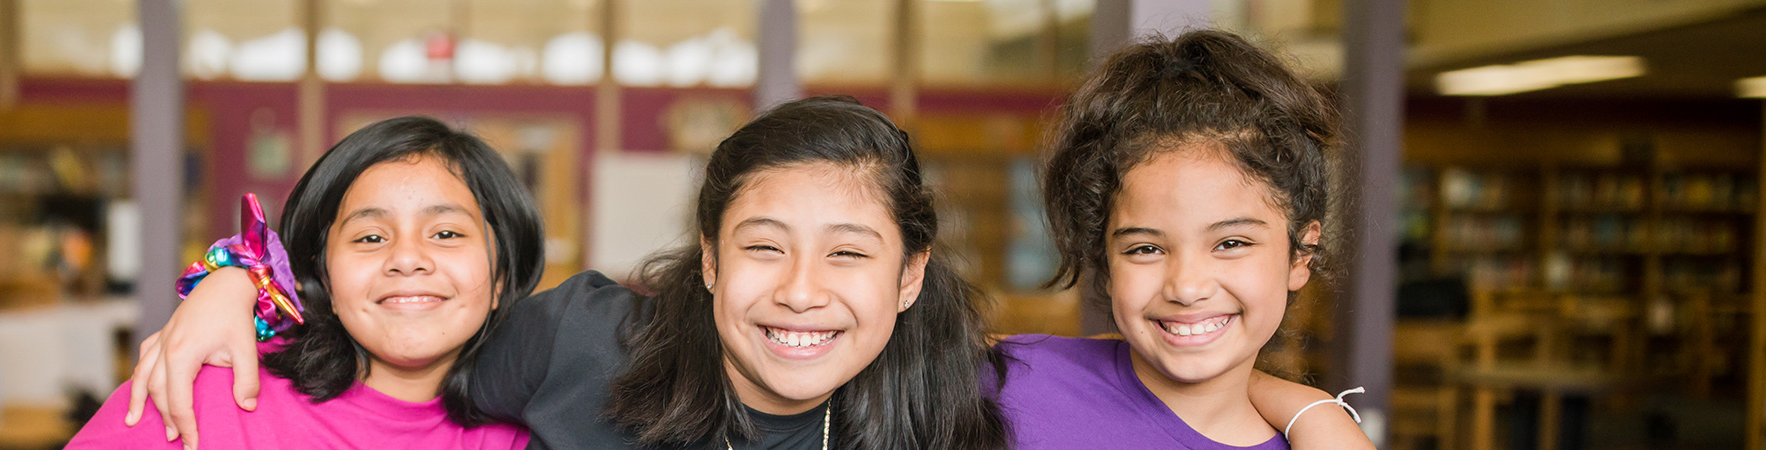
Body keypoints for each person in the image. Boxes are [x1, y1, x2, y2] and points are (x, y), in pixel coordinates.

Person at [128, 96, 1363, 450]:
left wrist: (1318, 414)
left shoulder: (968, 403)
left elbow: (1179, 367)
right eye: (763, 249)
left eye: (851, 254)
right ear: (709, 264)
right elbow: (397, 316)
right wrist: (229, 279)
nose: (801, 293)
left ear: (910, 275)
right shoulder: (579, 341)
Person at [996, 30, 1373, 448]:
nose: (1187, 288)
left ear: (1301, 255)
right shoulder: (1009, 382)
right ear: (1105, 263)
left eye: (1231, 243)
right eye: (1146, 249)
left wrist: (1316, 415)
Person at [68, 117, 540, 449]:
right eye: (371, 236)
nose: (407, 259)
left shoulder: (538, 426)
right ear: (325, 278)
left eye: (446, 234)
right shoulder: (208, 391)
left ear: (501, 276)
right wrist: (234, 277)